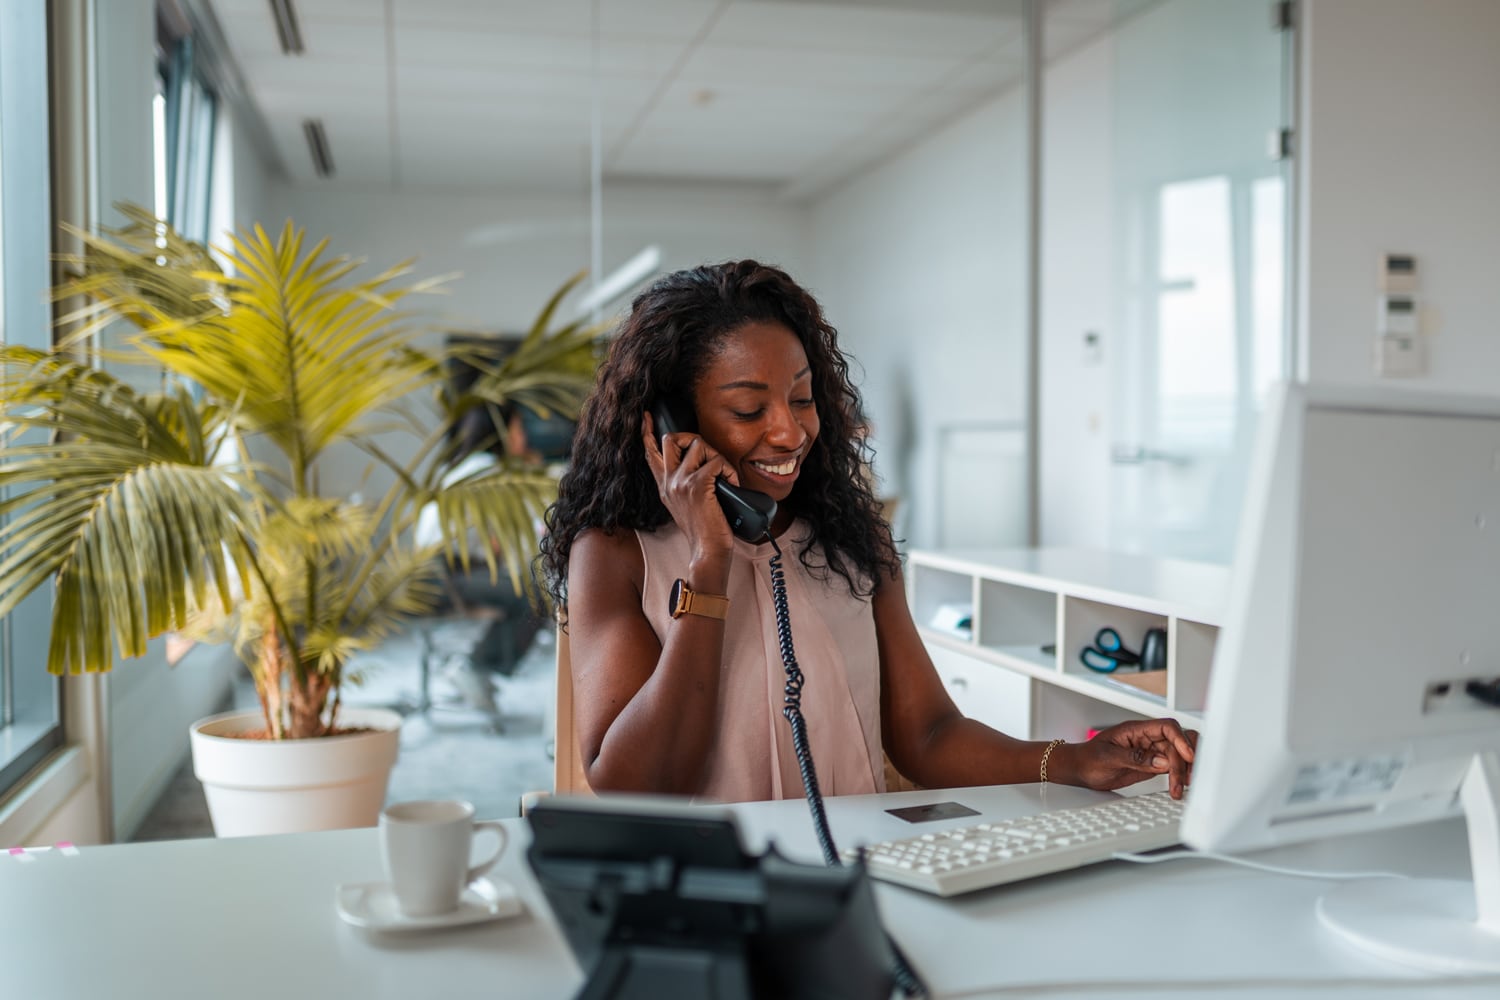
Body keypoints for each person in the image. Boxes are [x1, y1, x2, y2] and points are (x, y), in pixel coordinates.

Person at [539, 260, 1195, 803]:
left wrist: (1076, 761)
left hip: (853, 875)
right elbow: (634, 785)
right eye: (748, 409)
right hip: (707, 897)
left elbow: (929, 737)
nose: (790, 432)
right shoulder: (615, 555)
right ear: (668, 426)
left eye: (802, 398)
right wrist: (709, 561)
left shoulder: (852, 542)